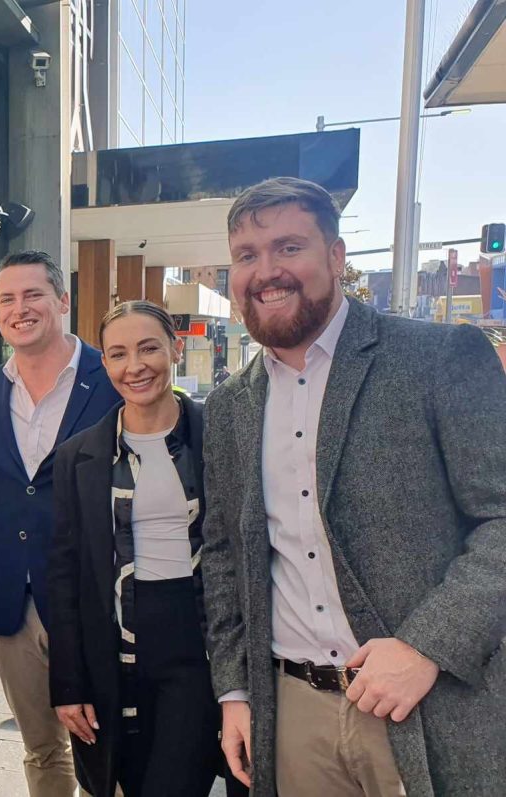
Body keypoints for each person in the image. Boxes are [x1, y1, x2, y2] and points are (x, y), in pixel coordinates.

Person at [202, 176, 506, 796]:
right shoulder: (231, 405)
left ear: (337, 257)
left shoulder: (439, 358)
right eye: (247, 256)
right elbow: (226, 556)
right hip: (291, 712)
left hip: (429, 703)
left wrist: (427, 647)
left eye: (289, 247)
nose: (267, 272)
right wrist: (236, 691)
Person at [48, 301, 243, 797]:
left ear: (174, 349)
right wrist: (68, 684)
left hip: (197, 639)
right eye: (117, 354)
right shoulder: (80, 456)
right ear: (105, 364)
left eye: (148, 348)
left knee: (175, 780)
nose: (134, 366)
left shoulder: (219, 434)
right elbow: (66, 573)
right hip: (117, 647)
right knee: (126, 780)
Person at [0, 250, 121, 796]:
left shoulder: (110, 377)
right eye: (7, 299)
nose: (20, 308)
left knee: (104, 744)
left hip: (96, 596)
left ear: (63, 300)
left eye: (33, 294)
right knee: (42, 748)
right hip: (15, 601)